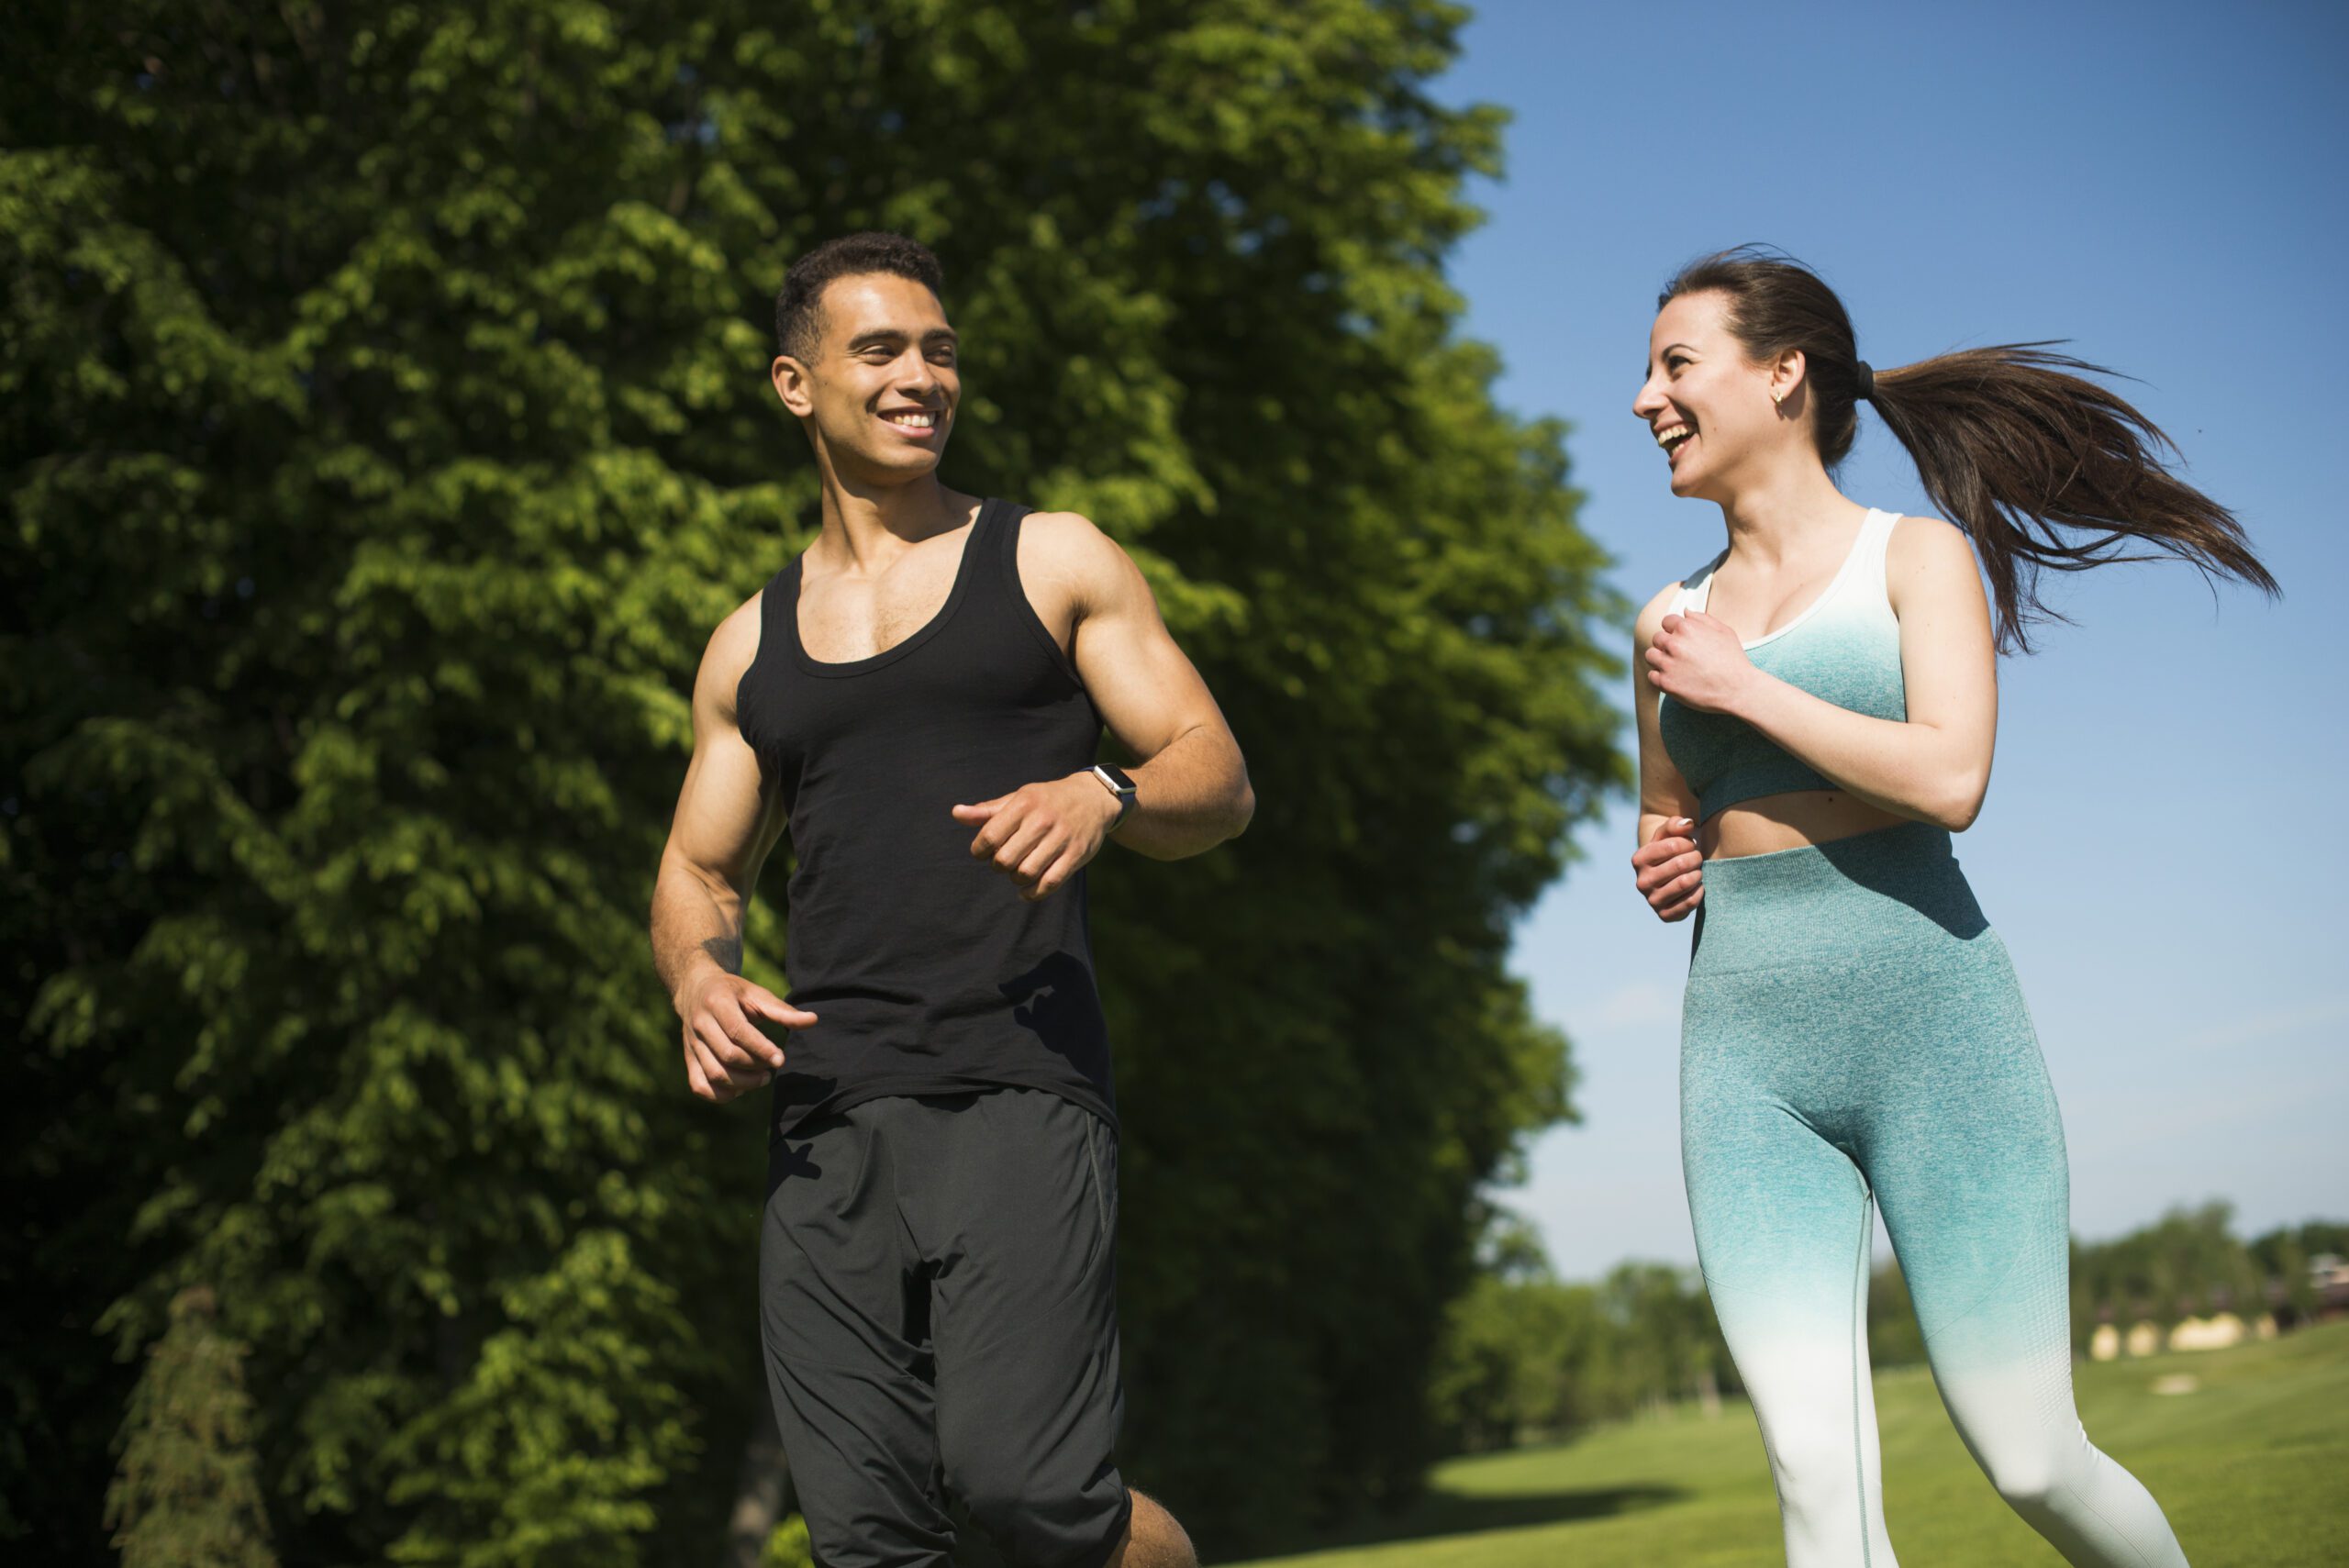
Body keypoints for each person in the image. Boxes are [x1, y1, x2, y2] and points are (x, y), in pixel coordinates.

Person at [1625, 247, 2272, 1567]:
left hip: (1935, 1034)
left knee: (2032, 1456)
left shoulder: (1914, 559)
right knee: (1816, 1476)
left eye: (1675, 363)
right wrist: (1663, 857)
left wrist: (1748, 690)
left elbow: (1951, 775)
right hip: (1746, 1061)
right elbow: (1664, 811)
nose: (1645, 398)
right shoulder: (1666, 620)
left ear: (1782, 372)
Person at [650, 232, 1252, 1568]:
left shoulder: (1051, 559)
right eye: (882, 349)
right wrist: (698, 975)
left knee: (1025, 1483)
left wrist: (1107, 792)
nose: (923, 375)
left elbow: (1215, 774)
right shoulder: (749, 644)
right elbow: (699, 869)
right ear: (796, 384)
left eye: (940, 350)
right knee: (863, 1532)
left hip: (1018, 1081)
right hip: (827, 1108)